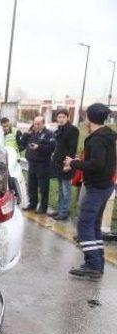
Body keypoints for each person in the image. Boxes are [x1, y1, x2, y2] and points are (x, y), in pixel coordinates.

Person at [64, 103, 116, 279]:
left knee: (85, 225)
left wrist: (74, 163)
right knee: (93, 225)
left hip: (97, 188)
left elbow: (96, 164)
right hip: (105, 186)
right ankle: (97, 263)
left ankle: (92, 264)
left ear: (90, 117)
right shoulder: (107, 135)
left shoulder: (98, 139)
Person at [18, 116, 56, 214]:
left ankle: (43, 207)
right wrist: (27, 134)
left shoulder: (49, 134)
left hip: (43, 164)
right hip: (32, 163)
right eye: (35, 123)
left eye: (38, 124)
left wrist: (39, 147)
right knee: (32, 185)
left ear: (43, 123)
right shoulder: (32, 133)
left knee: (43, 187)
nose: (36, 126)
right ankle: (32, 204)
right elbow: (22, 144)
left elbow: (51, 148)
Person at [49, 109, 79, 220]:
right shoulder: (60, 129)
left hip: (67, 164)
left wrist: (68, 164)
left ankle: (64, 212)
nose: (61, 119)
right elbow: (59, 146)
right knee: (61, 189)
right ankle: (60, 210)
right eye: (59, 117)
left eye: (63, 117)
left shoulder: (72, 130)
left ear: (67, 117)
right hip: (58, 163)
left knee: (66, 190)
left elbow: (72, 149)